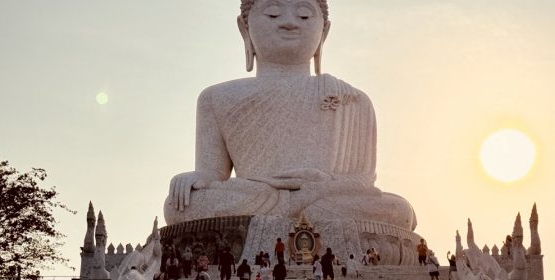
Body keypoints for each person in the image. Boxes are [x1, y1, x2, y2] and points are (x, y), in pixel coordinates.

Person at [162, 0, 417, 232]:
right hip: (254, 196)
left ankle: (285, 213)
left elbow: (361, 183)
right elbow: (212, 175)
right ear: (244, 27)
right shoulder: (216, 98)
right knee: (181, 204)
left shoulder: (353, 100)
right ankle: (293, 211)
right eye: (273, 13)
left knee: (399, 210)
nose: (289, 22)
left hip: (324, 198)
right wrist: (196, 179)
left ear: (324, 31)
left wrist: (317, 186)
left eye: (304, 16)